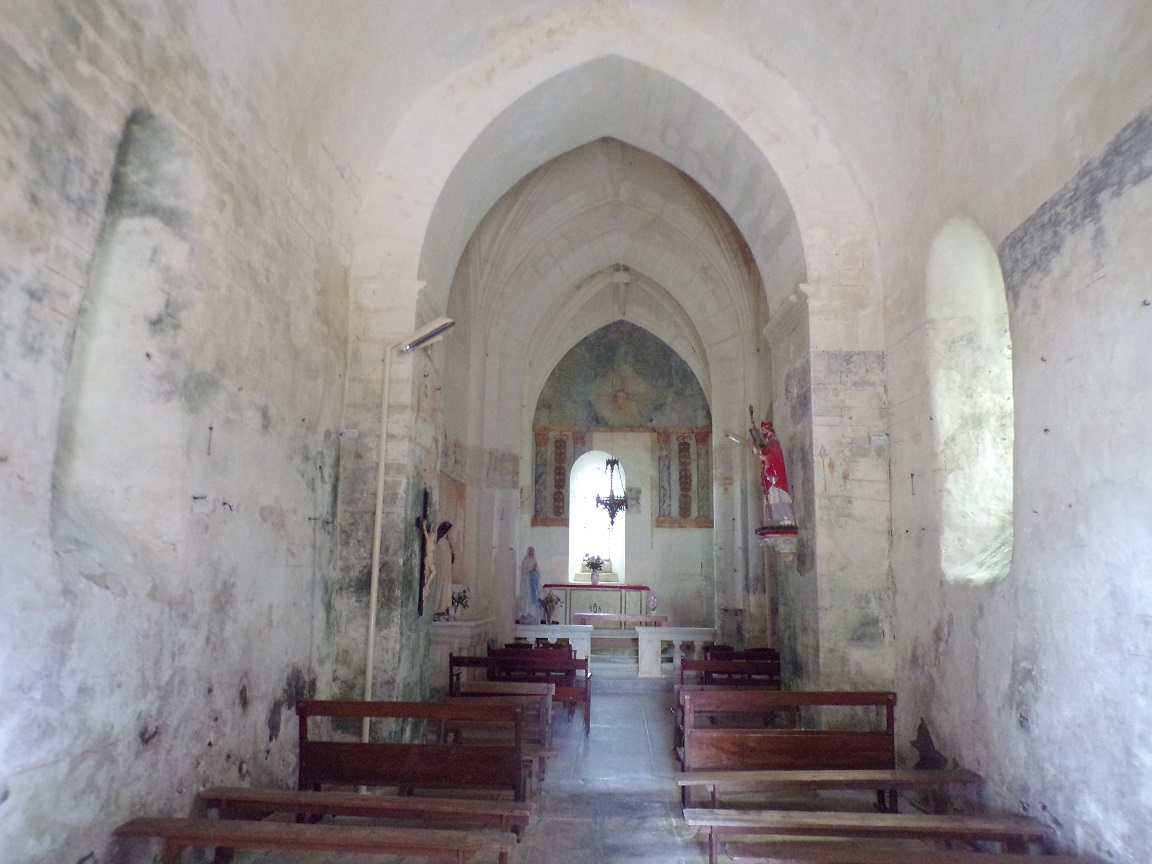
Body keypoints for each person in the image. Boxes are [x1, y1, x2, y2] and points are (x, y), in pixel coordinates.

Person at [750, 411, 795, 525]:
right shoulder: (769, 443)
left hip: (775, 477)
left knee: (777, 497)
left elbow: (775, 455)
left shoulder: (774, 442)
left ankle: (785, 519)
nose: (763, 432)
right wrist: (754, 447)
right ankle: (775, 519)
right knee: (772, 498)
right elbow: (762, 452)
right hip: (770, 477)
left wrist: (766, 458)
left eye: (764, 430)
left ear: (769, 430)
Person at [519, 546, 541, 624]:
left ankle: (532, 614)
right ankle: (526, 613)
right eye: (530, 551)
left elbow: (538, 572)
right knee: (527, 598)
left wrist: (535, 569)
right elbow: (524, 571)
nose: (531, 552)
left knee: (533, 600)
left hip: (533, 584)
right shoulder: (525, 560)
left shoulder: (534, 560)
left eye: (532, 551)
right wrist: (531, 568)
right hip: (528, 583)